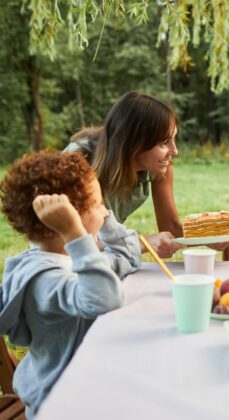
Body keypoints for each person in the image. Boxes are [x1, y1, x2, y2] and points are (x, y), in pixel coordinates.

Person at [0, 151, 141, 418]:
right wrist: (77, 234)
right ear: (67, 221)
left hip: (86, 383)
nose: (105, 211)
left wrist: (101, 222)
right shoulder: (44, 279)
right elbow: (106, 298)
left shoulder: (75, 260)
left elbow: (128, 257)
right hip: (61, 400)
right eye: (99, 204)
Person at [66, 91, 184, 258]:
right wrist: (144, 243)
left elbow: (171, 228)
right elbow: (78, 244)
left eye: (173, 139)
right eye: (164, 143)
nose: (175, 151)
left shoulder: (159, 164)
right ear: (134, 144)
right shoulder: (79, 163)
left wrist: (211, 236)